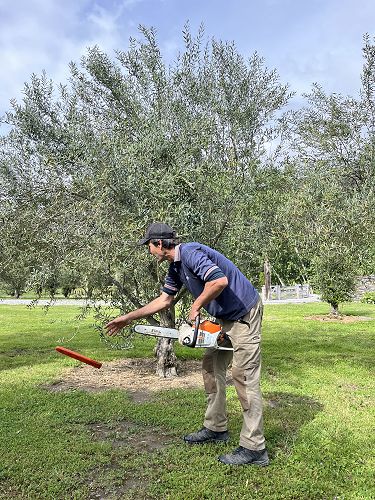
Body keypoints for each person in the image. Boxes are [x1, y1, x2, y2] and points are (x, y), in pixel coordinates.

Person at [105, 223, 269, 466]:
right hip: (224, 318)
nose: (149, 251)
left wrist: (196, 305)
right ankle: (216, 428)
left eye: (149, 246)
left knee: (243, 377)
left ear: (160, 244)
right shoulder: (175, 267)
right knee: (211, 367)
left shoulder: (190, 253)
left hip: (244, 313)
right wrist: (128, 318)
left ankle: (255, 448)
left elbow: (219, 281)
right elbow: (164, 300)